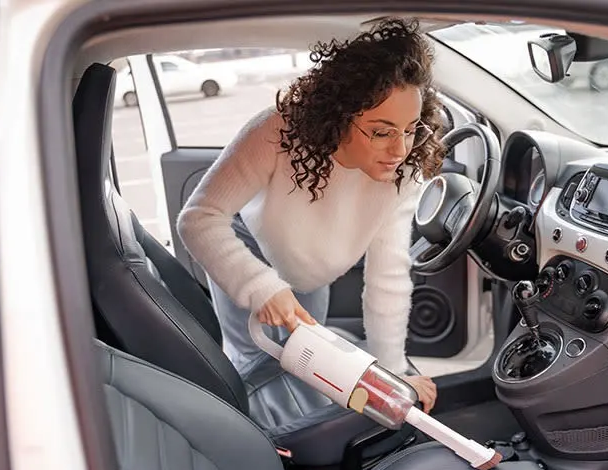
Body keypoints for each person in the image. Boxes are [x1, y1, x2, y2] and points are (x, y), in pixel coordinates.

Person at [177, 18, 445, 412]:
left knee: (303, 367)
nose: (400, 149)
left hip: (311, 271)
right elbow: (198, 218)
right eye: (382, 131)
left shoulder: (403, 173)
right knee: (256, 375)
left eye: (410, 129)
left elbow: (387, 278)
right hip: (252, 251)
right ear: (338, 116)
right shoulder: (275, 132)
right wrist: (261, 287)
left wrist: (392, 374)